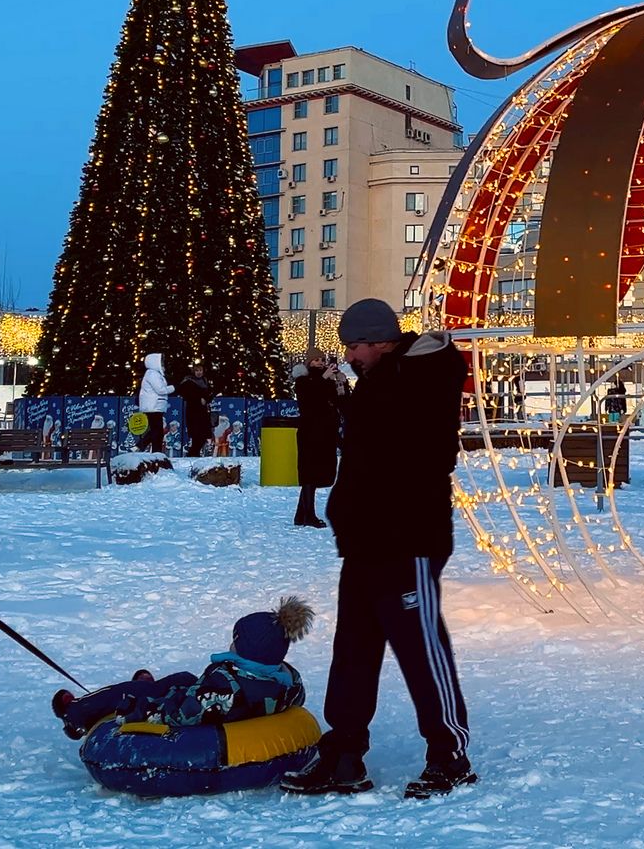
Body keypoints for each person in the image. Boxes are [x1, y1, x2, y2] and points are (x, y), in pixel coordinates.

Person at [281, 298, 475, 801]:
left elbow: (411, 445)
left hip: (408, 539)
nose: (349, 356)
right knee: (353, 651)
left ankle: (448, 753)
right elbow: (363, 441)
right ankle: (345, 751)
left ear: (379, 341)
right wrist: (326, 394)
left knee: (420, 650)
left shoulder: (423, 377)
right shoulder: (381, 383)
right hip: (366, 540)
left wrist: (348, 396)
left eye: (353, 346)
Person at [52, 597, 314, 738]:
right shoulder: (284, 679)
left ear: (245, 649)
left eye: (235, 642)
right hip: (230, 704)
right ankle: (147, 686)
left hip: (198, 710)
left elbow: (180, 713)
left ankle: (75, 714)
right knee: (184, 677)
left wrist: (137, 709)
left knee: (139, 693)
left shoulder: (224, 688)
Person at [290, 354, 341, 528]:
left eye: (322, 360)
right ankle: (309, 514)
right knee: (309, 472)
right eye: (316, 360)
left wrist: (338, 382)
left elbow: (335, 401)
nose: (320, 362)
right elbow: (309, 400)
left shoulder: (326, 379)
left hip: (325, 432)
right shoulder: (303, 381)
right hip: (310, 431)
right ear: (309, 362)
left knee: (316, 472)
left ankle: (301, 514)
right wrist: (324, 379)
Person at [137, 353, 175, 454]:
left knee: (156, 429)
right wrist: (173, 388)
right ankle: (152, 450)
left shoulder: (154, 374)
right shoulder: (152, 374)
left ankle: (146, 447)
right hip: (153, 406)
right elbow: (160, 390)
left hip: (155, 405)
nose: (163, 363)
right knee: (157, 430)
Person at [175, 364, 214, 458]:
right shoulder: (188, 381)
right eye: (197, 370)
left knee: (203, 435)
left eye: (200, 370)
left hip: (203, 411)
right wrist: (198, 398)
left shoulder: (205, 381)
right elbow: (184, 393)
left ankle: (193, 453)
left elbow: (209, 394)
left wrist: (206, 399)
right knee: (197, 434)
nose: (199, 373)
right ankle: (193, 454)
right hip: (193, 410)